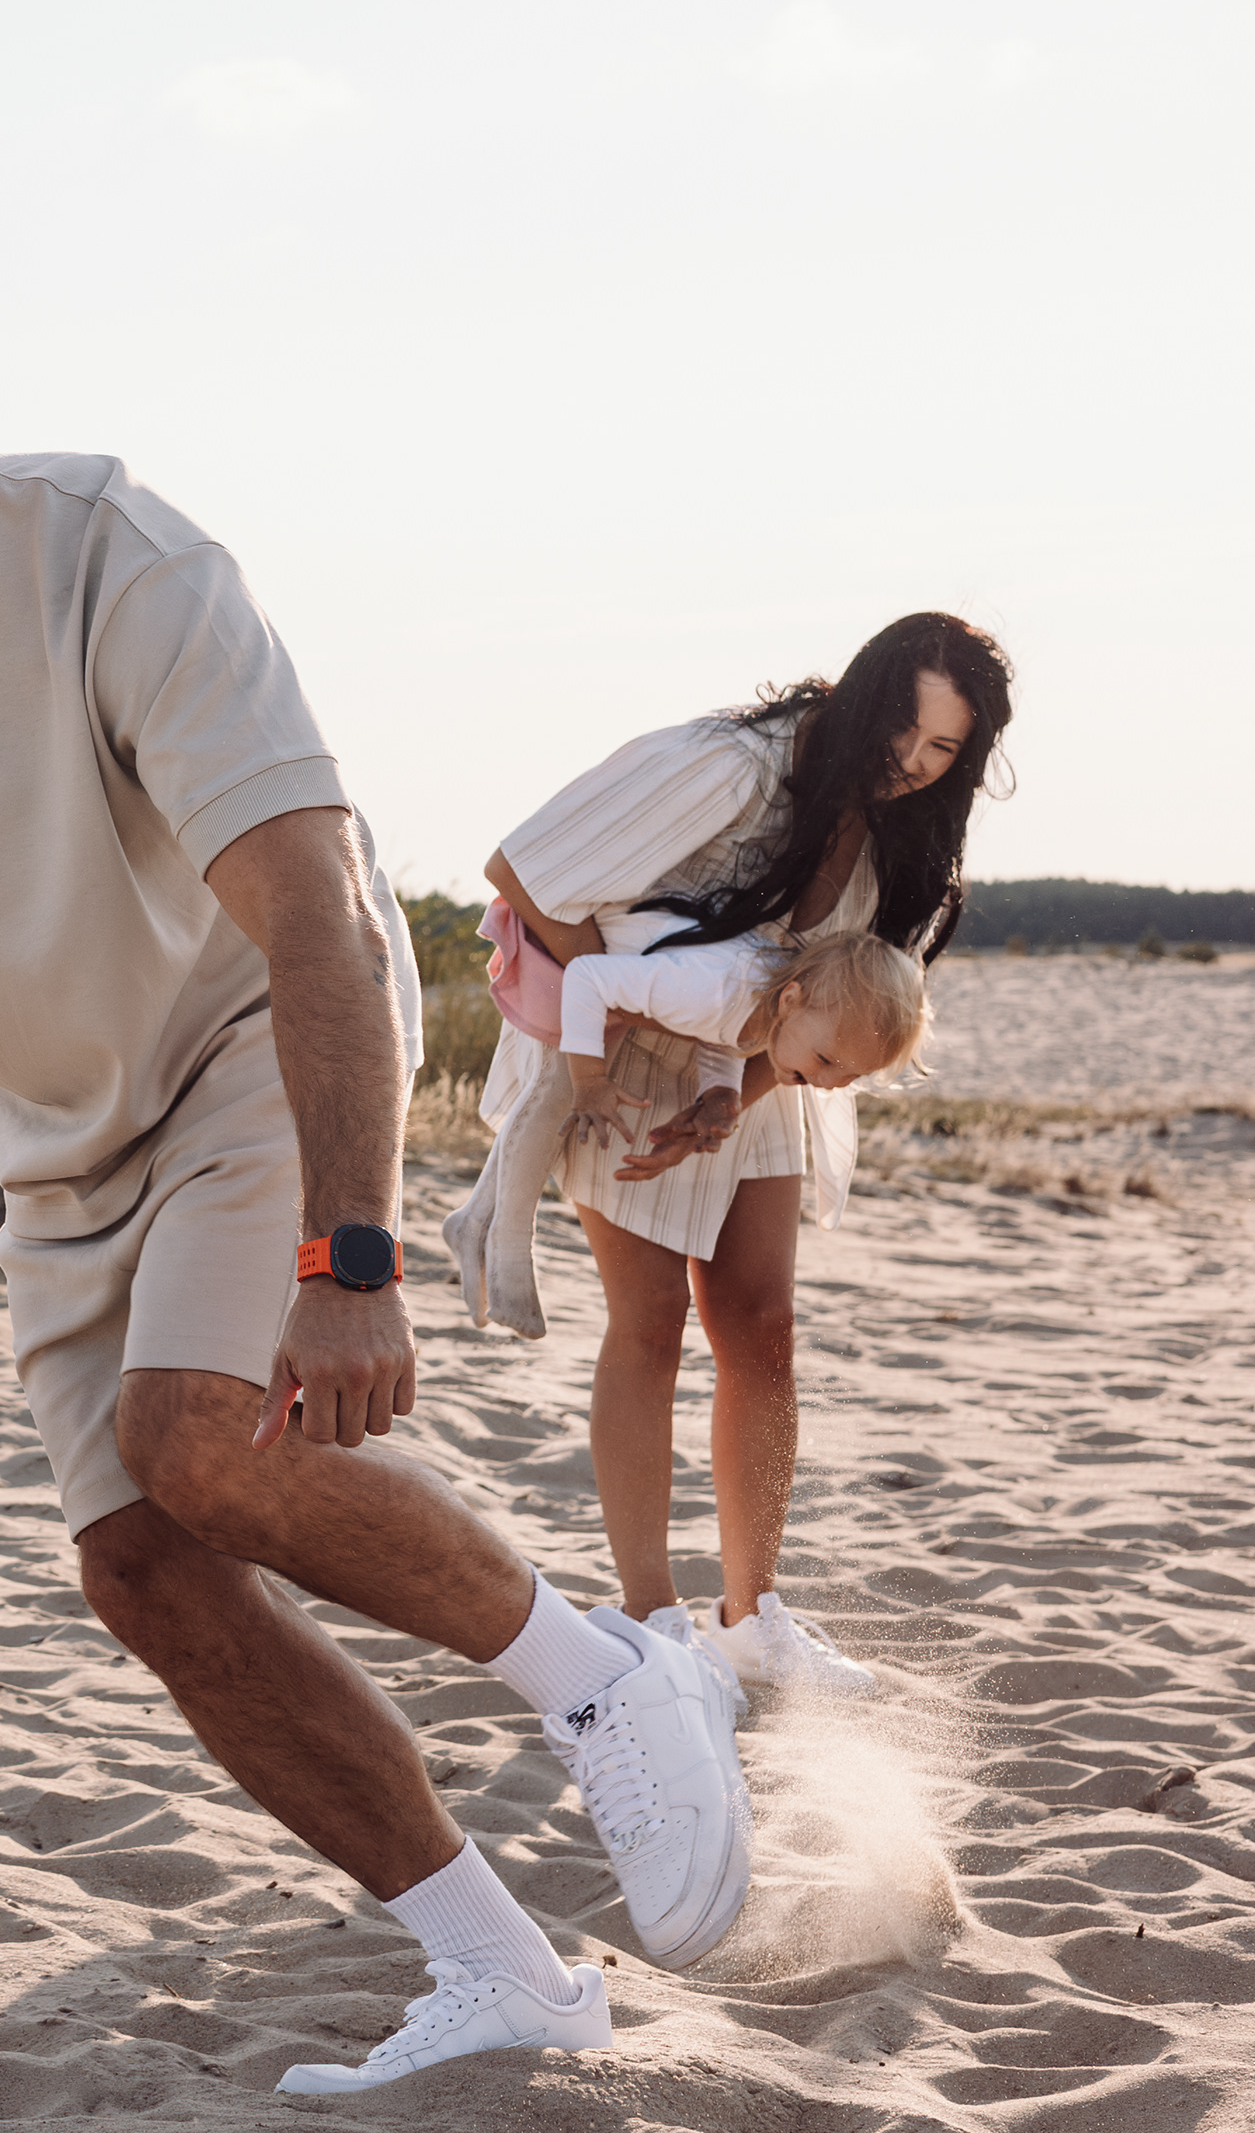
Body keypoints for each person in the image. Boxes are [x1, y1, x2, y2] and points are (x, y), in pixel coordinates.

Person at [0, 245, 755, 2094]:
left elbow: (319, 901)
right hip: (66, 1137)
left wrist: (349, 1254)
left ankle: (611, 1680)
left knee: (197, 1436)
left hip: (258, 1035)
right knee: (140, 1562)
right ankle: (505, 1970)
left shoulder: (100, 552)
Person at [471, 615, 1014, 1701]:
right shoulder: (728, 766)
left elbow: (833, 1012)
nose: (913, 761)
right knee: (651, 1323)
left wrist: (732, 1097)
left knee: (762, 1328)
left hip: (761, 1056)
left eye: (944, 749)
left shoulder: (901, 832)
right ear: (861, 698)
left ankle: (754, 1620)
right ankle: (651, 1621)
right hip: (622, 1051)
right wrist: (629, 1020)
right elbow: (520, 868)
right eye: (903, 730)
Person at [445, 930, 931, 1340]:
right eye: (826, 1060)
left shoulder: (763, 1007)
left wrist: (721, 1091)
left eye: (851, 1076)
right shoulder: (715, 987)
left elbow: (723, 1034)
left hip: (641, 978)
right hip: (577, 959)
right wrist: (590, 1080)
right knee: (557, 1088)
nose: (826, 1083)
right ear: (789, 999)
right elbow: (587, 977)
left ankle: (476, 1223)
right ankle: (493, 1230)